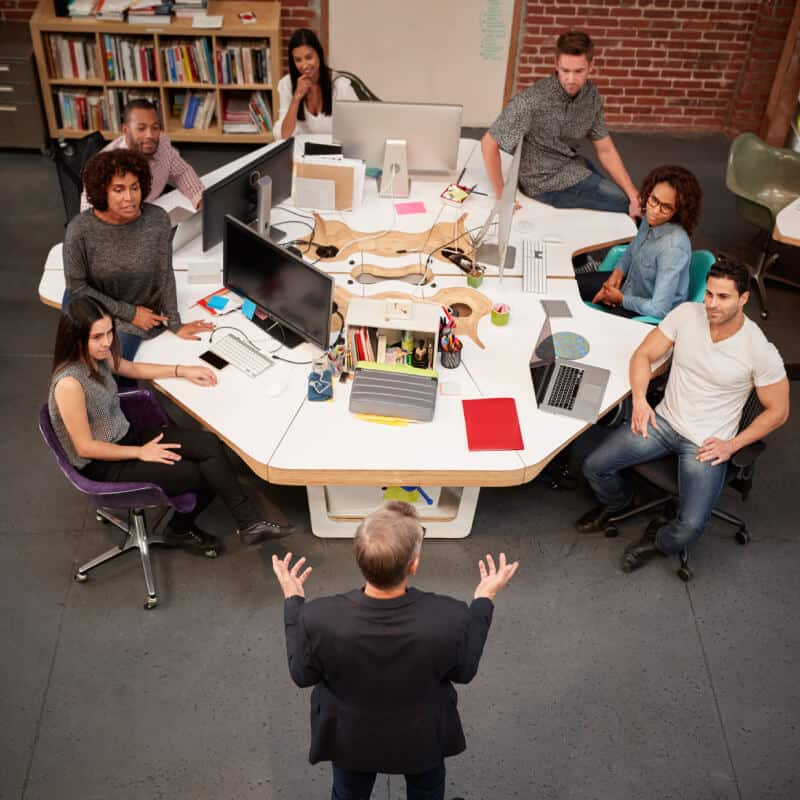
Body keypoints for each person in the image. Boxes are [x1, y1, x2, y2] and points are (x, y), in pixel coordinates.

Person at [272, 501, 519, 800]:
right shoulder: (450, 616)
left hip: (351, 739)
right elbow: (464, 672)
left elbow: (302, 674)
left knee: (348, 793)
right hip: (422, 737)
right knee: (426, 791)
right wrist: (484, 599)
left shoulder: (317, 617)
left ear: (358, 557)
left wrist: (293, 603)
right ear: (413, 564)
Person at [575, 258, 789, 572]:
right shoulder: (688, 314)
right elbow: (644, 354)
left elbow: (779, 411)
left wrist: (732, 445)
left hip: (706, 443)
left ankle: (657, 539)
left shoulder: (759, 349)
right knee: (594, 466)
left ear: (744, 298)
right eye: (710, 294)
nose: (712, 304)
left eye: (724, 297)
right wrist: (640, 400)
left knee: (690, 527)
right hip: (663, 421)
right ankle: (619, 504)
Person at [49, 297, 293, 550]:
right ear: (76, 338)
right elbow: (85, 448)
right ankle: (180, 529)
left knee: (208, 444)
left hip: (125, 436)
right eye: (97, 336)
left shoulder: (98, 356)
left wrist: (181, 370)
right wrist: (141, 453)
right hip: (104, 463)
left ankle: (250, 524)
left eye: (110, 332)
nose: (107, 342)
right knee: (202, 473)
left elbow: (131, 368)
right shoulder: (70, 384)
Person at [65, 149, 212, 364]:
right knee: (100, 370)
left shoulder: (157, 220)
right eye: (118, 189)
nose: (130, 197)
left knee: (119, 366)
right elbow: (77, 289)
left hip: (142, 313)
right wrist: (130, 313)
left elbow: (164, 274)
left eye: (135, 188)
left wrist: (175, 323)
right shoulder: (79, 230)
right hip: (98, 311)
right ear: (102, 192)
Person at [481, 31, 639, 216]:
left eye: (578, 71)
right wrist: (503, 196)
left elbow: (606, 149)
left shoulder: (591, 96)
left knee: (632, 199)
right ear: (556, 65)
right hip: (544, 181)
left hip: (571, 163)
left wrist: (633, 192)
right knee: (623, 203)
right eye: (565, 70)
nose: (571, 79)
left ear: (590, 66)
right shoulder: (532, 101)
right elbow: (488, 143)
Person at [576, 165, 703, 319]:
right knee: (568, 287)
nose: (655, 211)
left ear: (679, 210)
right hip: (629, 284)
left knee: (592, 323)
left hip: (646, 311)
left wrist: (621, 299)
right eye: (654, 200)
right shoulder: (650, 219)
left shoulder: (673, 248)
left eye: (666, 207)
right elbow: (632, 250)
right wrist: (617, 273)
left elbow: (659, 309)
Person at [80, 99, 204, 211]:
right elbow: (88, 211)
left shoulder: (163, 145)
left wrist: (199, 198)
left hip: (153, 210)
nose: (150, 135)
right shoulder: (105, 165)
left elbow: (182, 172)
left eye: (155, 127)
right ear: (125, 131)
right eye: (141, 128)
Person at [276, 28, 358, 139]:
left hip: (334, 153)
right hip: (301, 153)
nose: (304, 65)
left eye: (309, 57)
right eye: (298, 60)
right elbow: (284, 135)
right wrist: (296, 98)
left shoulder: (340, 85)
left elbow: (358, 130)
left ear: (319, 54)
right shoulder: (286, 84)